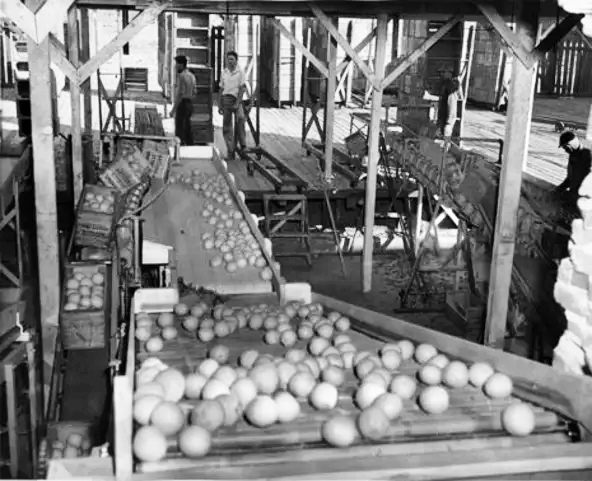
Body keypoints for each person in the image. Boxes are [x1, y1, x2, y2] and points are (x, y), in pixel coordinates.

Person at [218, 51, 247, 160]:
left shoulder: (240, 73)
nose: (230, 61)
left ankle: (243, 144)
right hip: (226, 99)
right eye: (228, 59)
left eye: (232, 59)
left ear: (236, 60)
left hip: (236, 99)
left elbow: (242, 89)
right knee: (227, 125)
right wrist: (220, 104)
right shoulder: (224, 72)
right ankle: (230, 150)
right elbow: (221, 89)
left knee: (240, 118)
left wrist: (237, 103)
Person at [553, 131, 592, 211]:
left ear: (570, 144)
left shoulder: (588, 155)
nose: (565, 150)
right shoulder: (573, 156)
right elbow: (570, 179)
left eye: (565, 147)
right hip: (574, 199)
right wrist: (560, 188)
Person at [170, 55, 196, 146]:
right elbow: (195, 92)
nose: (175, 66)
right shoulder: (191, 75)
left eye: (176, 64)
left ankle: (179, 148)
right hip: (190, 104)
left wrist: (173, 110)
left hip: (183, 103)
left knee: (180, 128)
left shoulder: (181, 76)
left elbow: (180, 94)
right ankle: (190, 146)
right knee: (188, 127)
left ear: (181, 64)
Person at [436, 66, 460, 139]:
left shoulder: (452, 84)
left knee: (446, 133)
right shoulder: (446, 84)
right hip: (445, 115)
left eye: (443, 73)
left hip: (449, 117)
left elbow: (451, 105)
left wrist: (448, 121)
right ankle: (444, 145)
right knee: (443, 134)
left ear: (449, 73)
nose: (441, 75)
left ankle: (446, 146)